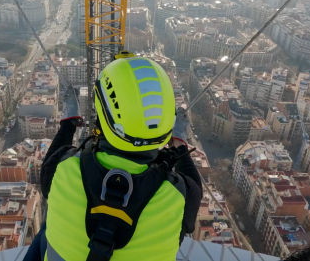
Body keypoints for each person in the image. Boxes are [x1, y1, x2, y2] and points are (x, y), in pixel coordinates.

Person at [24, 54, 203, 261]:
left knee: (47, 226)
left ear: (102, 112)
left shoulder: (64, 167)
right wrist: (179, 141)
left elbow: (48, 173)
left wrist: (69, 122)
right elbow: (194, 188)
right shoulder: (180, 195)